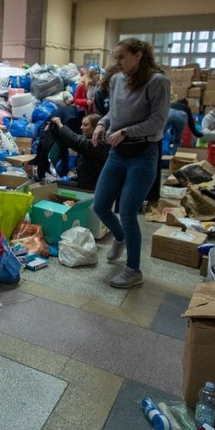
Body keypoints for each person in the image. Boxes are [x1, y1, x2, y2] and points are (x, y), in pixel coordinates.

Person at [91, 38, 170, 289]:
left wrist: (125, 132)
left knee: (127, 211)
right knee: (100, 205)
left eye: (122, 57)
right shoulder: (117, 80)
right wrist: (102, 124)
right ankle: (120, 236)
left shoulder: (157, 81)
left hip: (143, 154)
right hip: (117, 153)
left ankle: (134, 270)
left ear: (138, 55)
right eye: (115, 57)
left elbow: (158, 121)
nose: (117, 63)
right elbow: (114, 113)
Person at [43, 114, 109, 190]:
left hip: (92, 188)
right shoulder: (88, 138)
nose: (81, 127)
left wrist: (60, 125)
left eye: (85, 125)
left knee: (55, 185)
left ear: (96, 128)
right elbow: (70, 139)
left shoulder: (100, 144)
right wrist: (55, 128)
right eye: (82, 124)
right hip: (83, 182)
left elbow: (75, 141)